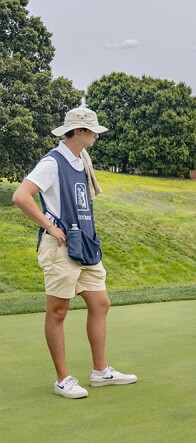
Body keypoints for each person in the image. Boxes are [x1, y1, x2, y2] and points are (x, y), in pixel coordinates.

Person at [12, 107, 137, 399]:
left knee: (100, 303)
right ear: (78, 131)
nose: (96, 135)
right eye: (92, 130)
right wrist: (50, 227)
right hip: (60, 246)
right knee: (58, 311)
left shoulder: (82, 160)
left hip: (85, 243)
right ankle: (62, 379)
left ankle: (100, 371)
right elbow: (21, 196)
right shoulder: (52, 162)